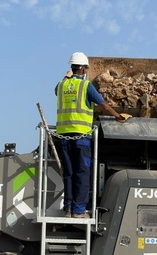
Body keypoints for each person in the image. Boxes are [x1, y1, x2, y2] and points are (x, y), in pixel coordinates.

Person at [55, 52, 130, 218]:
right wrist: (119, 116)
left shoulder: (61, 86)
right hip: (81, 137)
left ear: (71, 68)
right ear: (84, 69)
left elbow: (57, 90)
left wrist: (66, 78)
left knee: (69, 173)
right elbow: (103, 104)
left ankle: (68, 209)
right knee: (82, 173)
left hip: (64, 137)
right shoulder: (86, 86)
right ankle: (79, 211)